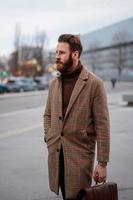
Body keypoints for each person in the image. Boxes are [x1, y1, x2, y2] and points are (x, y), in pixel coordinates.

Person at [43, 34, 110, 200]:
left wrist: (102, 163)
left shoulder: (94, 84)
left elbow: (102, 125)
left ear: (75, 54)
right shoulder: (54, 84)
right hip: (56, 155)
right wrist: (49, 136)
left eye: (61, 53)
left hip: (80, 158)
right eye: (56, 52)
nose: (57, 56)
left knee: (79, 197)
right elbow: (48, 114)